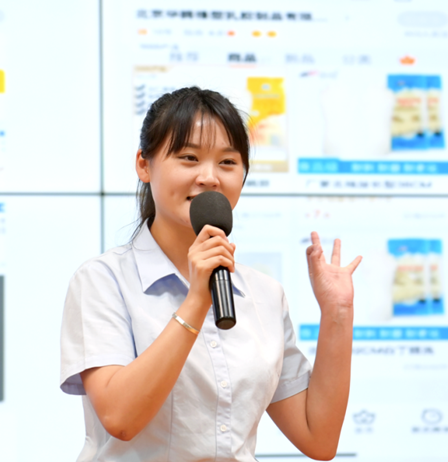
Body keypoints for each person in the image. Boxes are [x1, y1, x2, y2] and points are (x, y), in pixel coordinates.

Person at [60, 87, 362, 461]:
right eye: (189, 158)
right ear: (144, 164)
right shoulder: (102, 280)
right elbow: (120, 418)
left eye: (228, 162)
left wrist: (338, 313)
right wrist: (196, 300)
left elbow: (319, 438)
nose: (209, 177)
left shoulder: (265, 294)